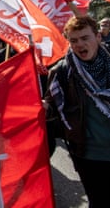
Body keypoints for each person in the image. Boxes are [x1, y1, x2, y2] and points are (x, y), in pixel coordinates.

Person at [43, 15, 110, 207]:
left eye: (85, 38)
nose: (80, 44)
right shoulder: (62, 72)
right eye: (73, 40)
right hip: (89, 155)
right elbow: (51, 108)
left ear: (98, 37)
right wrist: (43, 107)